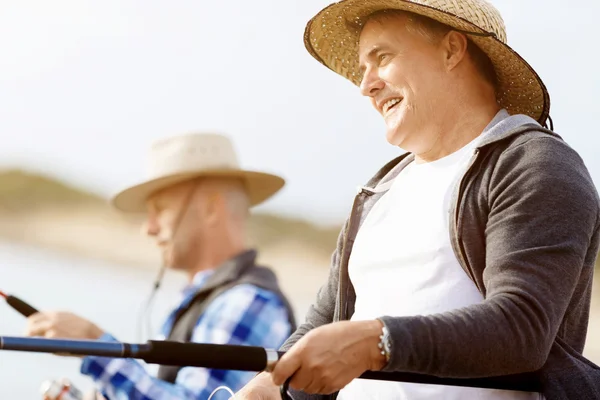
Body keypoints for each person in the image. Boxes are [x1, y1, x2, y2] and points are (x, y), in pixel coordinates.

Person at [235, 1, 600, 399]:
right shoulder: (379, 190)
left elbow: (523, 329)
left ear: (452, 50)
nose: (366, 84)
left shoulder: (533, 163)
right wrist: (269, 385)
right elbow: (324, 322)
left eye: (383, 57)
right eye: (363, 68)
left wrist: (375, 342)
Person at [26, 132, 296, 399]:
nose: (149, 227)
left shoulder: (247, 301)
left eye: (161, 208)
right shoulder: (204, 299)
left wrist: (93, 343)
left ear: (212, 208)